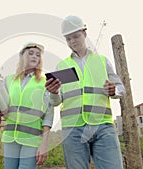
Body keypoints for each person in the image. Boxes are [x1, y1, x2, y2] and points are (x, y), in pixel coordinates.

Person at [45, 15, 125, 169]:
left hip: (103, 126)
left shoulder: (102, 61)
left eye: (76, 36)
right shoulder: (62, 66)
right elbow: (55, 101)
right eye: (68, 39)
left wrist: (114, 90)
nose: (72, 41)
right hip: (73, 129)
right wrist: (54, 93)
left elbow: (121, 89)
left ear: (85, 33)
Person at [0, 42, 53, 169]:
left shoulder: (45, 81)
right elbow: (4, 104)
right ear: (22, 56)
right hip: (10, 137)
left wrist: (44, 144)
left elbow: (48, 114)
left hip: (31, 139)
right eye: (30, 53)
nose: (34, 56)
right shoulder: (9, 80)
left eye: (38, 55)